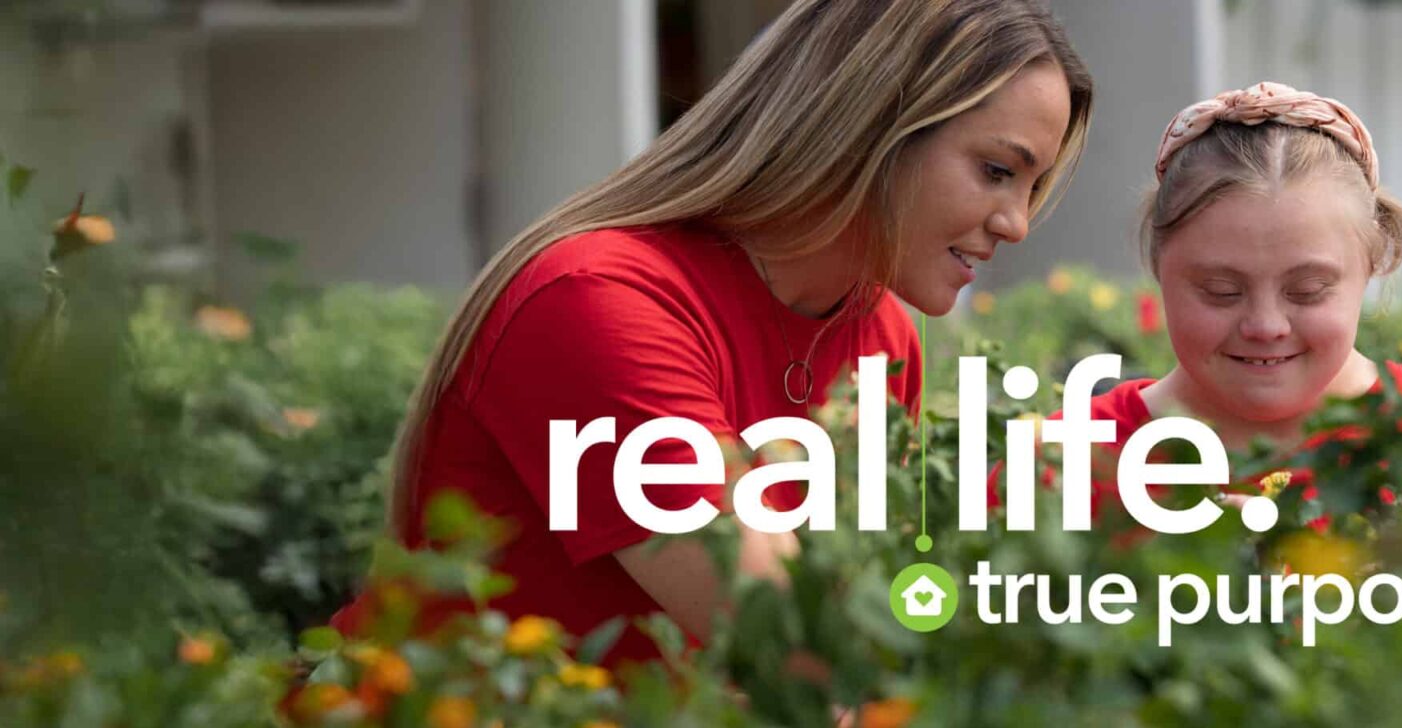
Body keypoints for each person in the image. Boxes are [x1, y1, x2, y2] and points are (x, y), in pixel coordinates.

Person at [331, 0, 1093, 667]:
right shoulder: (597, 299)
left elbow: (881, 595)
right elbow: (786, 632)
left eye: (1032, 186)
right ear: (873, 122)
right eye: (998, 170)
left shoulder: (879, 329)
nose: (1017, 224)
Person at [1060, 81, 1402, 519]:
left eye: (1307, 291)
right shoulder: (1063, 460)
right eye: (1221, 291)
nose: (1265, 325)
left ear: (1373, 262)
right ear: (1157, 264)